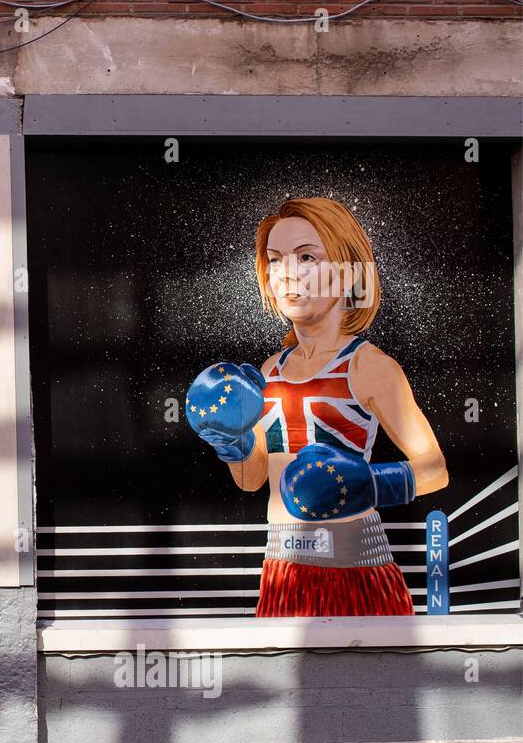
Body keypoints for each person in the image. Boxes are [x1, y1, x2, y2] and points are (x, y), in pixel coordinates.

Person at [184, 196, 448, 616]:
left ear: (348, 270)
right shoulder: (268, 371)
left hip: (356, 569)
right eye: (275, 259)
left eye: (305, 256)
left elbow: (434, 468)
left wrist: (371, 485)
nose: (286, 272)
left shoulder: (368, 366)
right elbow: (252, 481)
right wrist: (229, 442)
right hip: (282, 571)